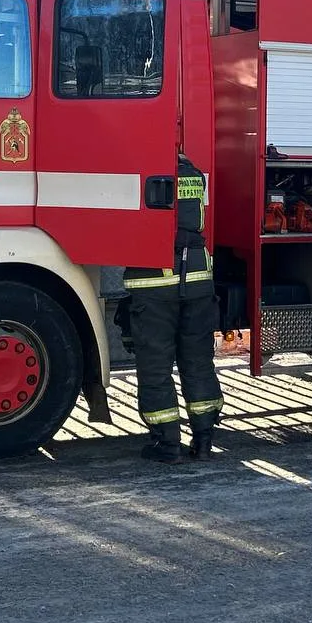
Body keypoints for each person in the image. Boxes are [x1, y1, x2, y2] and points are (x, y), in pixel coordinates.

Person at [121, 152, 224, 463]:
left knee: (156, 367)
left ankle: (167, 444)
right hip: (198, 279)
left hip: (154, 284)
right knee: (198, 363)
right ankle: (204, 441)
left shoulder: (141, 170)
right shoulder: (194, 174)